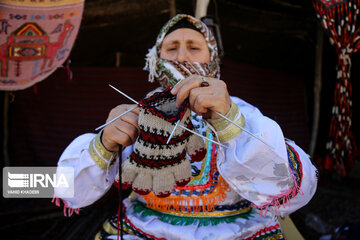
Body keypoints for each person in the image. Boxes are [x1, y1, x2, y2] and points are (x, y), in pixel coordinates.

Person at [54, 14, 318, 240]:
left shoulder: (242, 114)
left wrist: (230, 125)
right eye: (171, 49)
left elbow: (298, 192)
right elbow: (63, 187)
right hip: (144, 231)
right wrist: (103, 144)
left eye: (194, 47)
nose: (181, 56)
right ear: (154, 61)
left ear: (213, 61)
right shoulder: (136, 116)